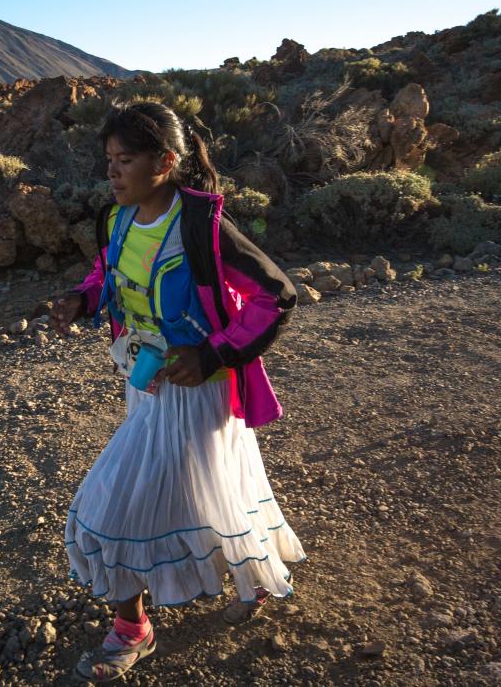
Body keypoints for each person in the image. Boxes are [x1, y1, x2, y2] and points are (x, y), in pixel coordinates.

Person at [49, 100, 307, 682]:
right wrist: (82, 299)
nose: (112, 173)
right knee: (204, 486)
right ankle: (241, 575)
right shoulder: (116, 220)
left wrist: (214, 353)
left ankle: (132, 630)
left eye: (126, 160)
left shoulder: (200, 226)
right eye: (109, 161)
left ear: (165, 161)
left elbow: (277, 295)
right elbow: (107, 274)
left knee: (108, 506)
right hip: (145, 385)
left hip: (199, 394)